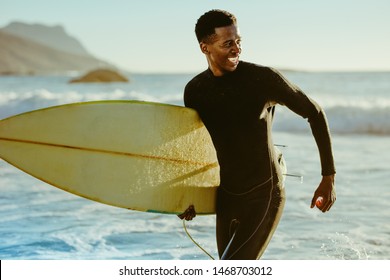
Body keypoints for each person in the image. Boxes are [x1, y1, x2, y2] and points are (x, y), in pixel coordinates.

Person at [179, 9, 336, 260]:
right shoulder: (196, 91)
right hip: (227, 196)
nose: (236, 48)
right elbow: (199, 148)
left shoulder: (263, 79)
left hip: (264, 193)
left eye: (239, 41)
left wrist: (328, 177)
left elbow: (314, 113)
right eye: (227, 43)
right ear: (204, 47)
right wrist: (188, 196)